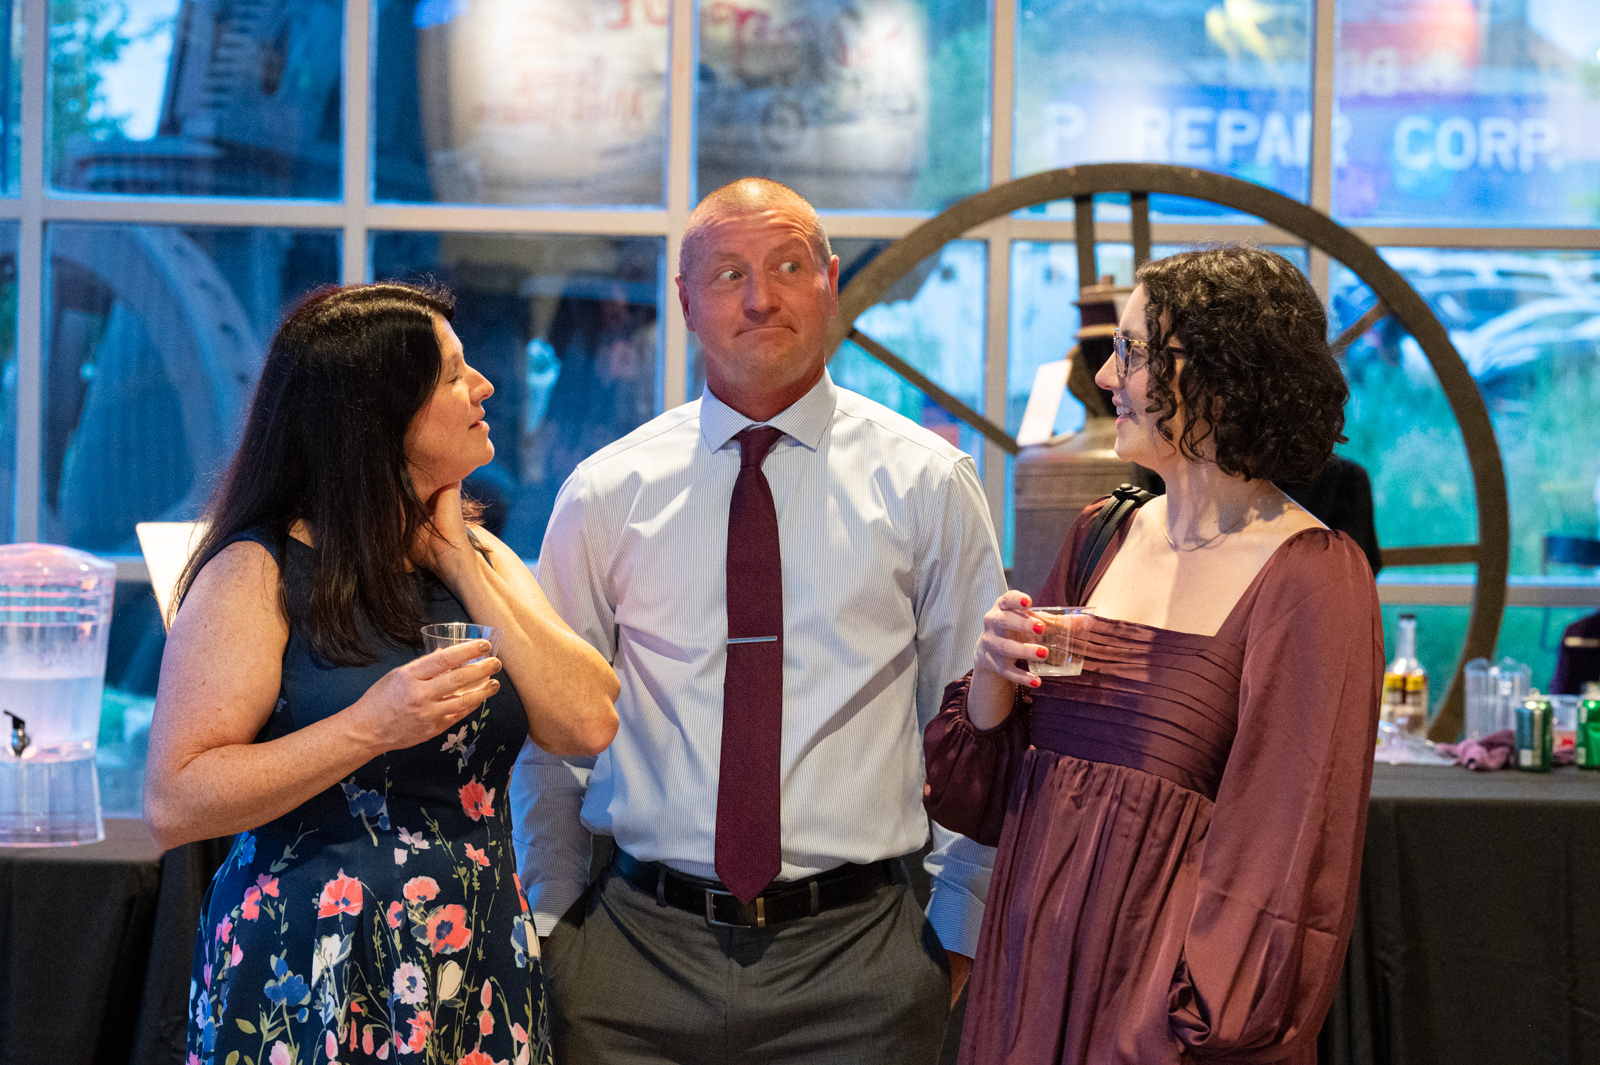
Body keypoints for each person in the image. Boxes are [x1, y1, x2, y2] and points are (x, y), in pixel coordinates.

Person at [511, 178, 1004, 1063]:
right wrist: (551, 928)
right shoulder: (605, 494)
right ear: (686, 302)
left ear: (830, 282)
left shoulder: (928, 484)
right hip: (632, 964)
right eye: (729, 273)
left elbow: (977, 728)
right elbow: (549, 739)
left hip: (861, 967)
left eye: (787, 266)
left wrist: (955, 934)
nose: (760, 299)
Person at [923, 245, 1383, 1065]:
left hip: (1160, 1023)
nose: (1106, 377)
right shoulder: (1102, 532)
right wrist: (992, 676)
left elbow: (1284, 855)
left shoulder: (1310, 577)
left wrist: (1182, 1024)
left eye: (1131, 351)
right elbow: (988, 798)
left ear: (1220, 374)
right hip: (1031, 984)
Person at [144, 282, 619, 1065]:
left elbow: (589, 720)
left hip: (472, 953)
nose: (484, 386)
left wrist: (460, 563)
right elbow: (175, 801)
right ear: (378, 417)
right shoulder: (258, 570)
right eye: (453, 375)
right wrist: (369, 726)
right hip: (308, 961)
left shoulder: (482, 556)